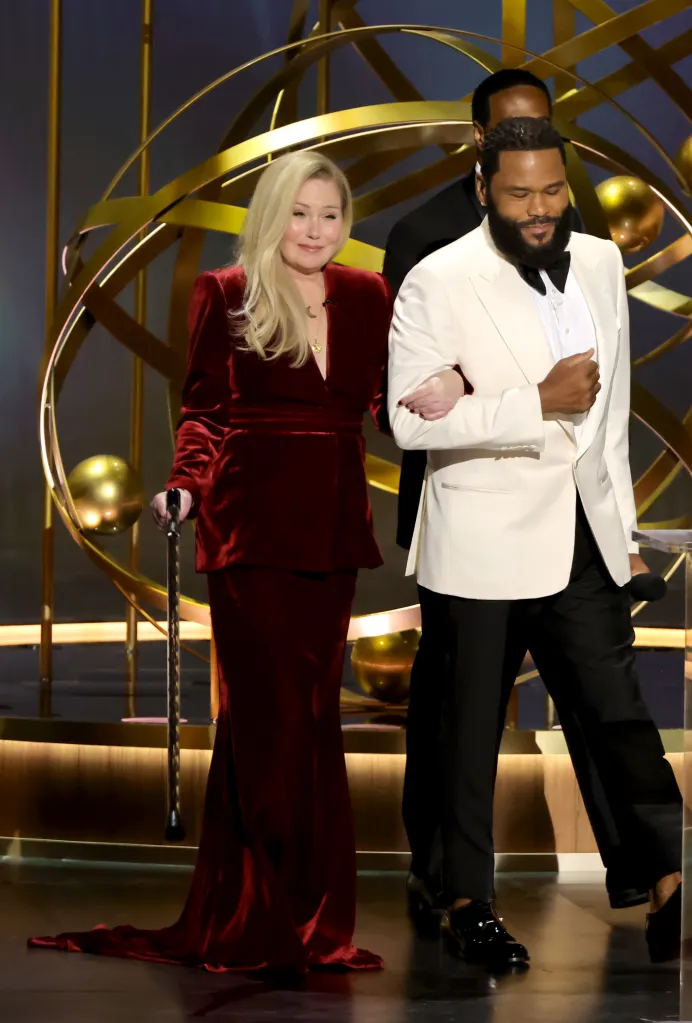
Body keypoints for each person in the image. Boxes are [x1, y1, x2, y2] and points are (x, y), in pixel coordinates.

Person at [29, 151, 461, 974]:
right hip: (249, 526)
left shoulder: (369, 294)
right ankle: (254, 919)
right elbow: (203, 410)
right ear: (272, 215)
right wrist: (186, 488)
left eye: (329, 216)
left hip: (331, 528)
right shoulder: (226, 292)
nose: (314, 230)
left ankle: (310, 919)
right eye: (299, 213)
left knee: (310, 718)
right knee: (265, 721)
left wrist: (451, 382)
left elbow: (383, 400)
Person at [388, 116, 692, 967]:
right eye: (519, 193)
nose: (538, 209)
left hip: (580, 540)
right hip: (479, 540)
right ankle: (464, 902)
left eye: (552, 191)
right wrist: (533, 400)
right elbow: (407, 420)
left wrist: (621, 534)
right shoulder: (436, 279)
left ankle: (673, 888)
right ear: (483, 188)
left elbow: (611, 418)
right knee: (468, 732)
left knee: (620, 712)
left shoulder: (597, 260)